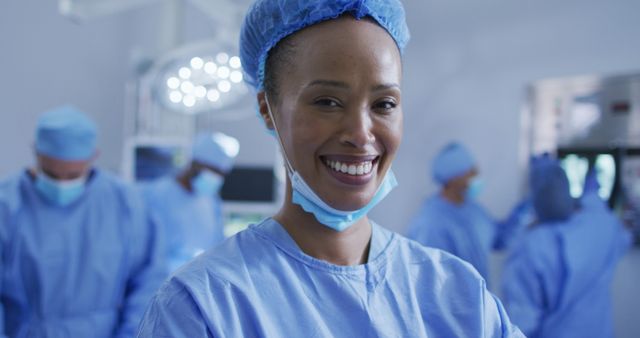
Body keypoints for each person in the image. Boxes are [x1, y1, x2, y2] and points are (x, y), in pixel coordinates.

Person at [137, 1, 524, 337]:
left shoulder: (455, 292)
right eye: (327, 101)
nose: (360, 133)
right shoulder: (204, 307)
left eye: (384, 104)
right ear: (266, 110)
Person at [0, 106, 165, 338]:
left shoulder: (126, 204)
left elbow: (148, 280)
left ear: (93, 156)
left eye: (73, 175)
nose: (61, 183)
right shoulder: (7, 204)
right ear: (35, 152)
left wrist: (132, 333)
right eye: (51, 174)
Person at [501, 158, 632, 338]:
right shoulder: (603, 225)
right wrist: (593, 200)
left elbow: (523, 319)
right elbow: (624, 239)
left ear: (535, 196)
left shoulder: (530, 245)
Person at [405, 142, 529, 281]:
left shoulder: (474, 210)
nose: (477, 175)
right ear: (453, 178)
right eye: (470, 171)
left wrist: (525, 209)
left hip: (477, 298)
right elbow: (430, 278)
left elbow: (499, 239)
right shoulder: (430, 223)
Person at [140, 132, 239, 273]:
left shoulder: (211, 203)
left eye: (221, 174)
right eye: (213, 170)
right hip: (156, 283)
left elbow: (217, 247)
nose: (216, 178)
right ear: (195, 164)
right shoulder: (155, 195)